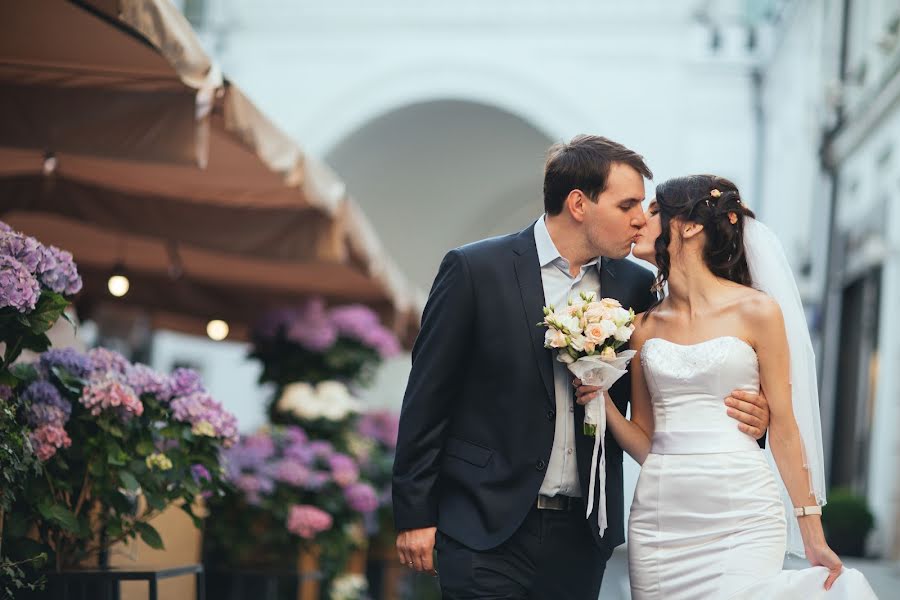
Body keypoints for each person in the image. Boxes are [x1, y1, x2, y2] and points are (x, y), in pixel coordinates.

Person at [392, 140, 770, 599]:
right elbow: (427, 399)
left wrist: (754, 415)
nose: (639, 219)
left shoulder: (635, 288)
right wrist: (416, 515)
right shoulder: (475, 270)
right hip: (482, 527)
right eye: (627, 204)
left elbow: (680, 383)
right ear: (578, 203)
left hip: (582, 535)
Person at [577, 175, 877, 599]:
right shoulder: (642, 327)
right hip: (661, 519)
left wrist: (812, 532)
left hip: (742, 512)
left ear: (691, 226)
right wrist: (601, 402)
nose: (641, 220)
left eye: (656, 211)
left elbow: (786, 429)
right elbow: (646, 440)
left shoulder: (757, 311)